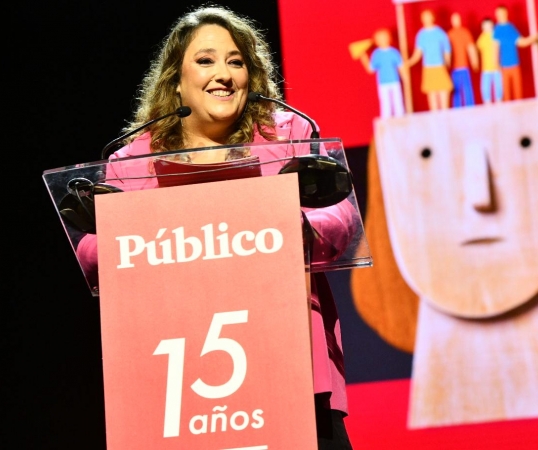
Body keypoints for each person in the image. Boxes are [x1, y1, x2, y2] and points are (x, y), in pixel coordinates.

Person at [75, 5, 357, 448]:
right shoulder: (133, 161)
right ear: (176, 78)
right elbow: (92, 254)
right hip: (182, 378)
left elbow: (338, 219)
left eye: (236, 61)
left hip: (289, 363)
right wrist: (137, 231)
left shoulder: (285, 135)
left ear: (251, 75)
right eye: (205, 60)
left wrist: (280, 225)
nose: (223, 74)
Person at [407, 9, 453, 111]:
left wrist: (447, 62)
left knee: (443, 90)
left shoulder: (440, 33)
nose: (426, 19)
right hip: (428, 68)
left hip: (440, 66)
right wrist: (408, 63)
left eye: (428, 16)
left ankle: (445, 113)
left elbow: (447, 49)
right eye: (424, 17)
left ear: (432, 18)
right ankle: (435, 116)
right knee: (432, 93)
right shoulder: (421, 35)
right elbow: (418, 53)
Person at [358, 28, 406, 118]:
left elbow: (401, 66)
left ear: (389, 38)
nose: (383, 40)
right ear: (376, 41)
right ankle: (386, 119)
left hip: (395, 81)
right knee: (385, 102)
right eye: (380, 39)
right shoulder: (376, 54)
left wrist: (405, 78)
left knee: (398, 99)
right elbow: (371, 69)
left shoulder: (394, 52)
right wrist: (363, 57)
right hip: (383, 82)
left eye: (385, 38)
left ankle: (400, 117)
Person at [493, 5, 535, 101]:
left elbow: (520, 42)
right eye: (498, 14)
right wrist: (495, 62)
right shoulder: (497, 30)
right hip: (503, 65)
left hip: (515, 63)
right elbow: (495, 48)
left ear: (506, 14)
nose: (500, 16)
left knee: (518, 89)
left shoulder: (511, 28)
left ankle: (518, 109)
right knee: (506, 90)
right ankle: (507, 110)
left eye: (502, 13)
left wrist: (532, 39)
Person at [447, 12, 479, 107]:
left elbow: (471, 48)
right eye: (454, 20)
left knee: (467, 88)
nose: (456, 21)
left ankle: (470, 107)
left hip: (464, 66)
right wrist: (447, 65)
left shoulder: (465, 33)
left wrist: (475, 61)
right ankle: (457, 109)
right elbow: (446, 52)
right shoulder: (449, 34)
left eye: (457, 19)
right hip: (454, 68)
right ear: (451, 21)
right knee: (456, 90)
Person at [476, 17, 503, 104]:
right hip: (486, 67)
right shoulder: (482, 38)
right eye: (485, 27)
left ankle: (499, 99)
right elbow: (478, 47)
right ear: (482, 28)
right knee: (485, 86)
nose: (488, 28)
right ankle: (487, 101)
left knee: (499, 85)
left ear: (493, 26)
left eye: (489, 26)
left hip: (497, 67)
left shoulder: (496, 36)